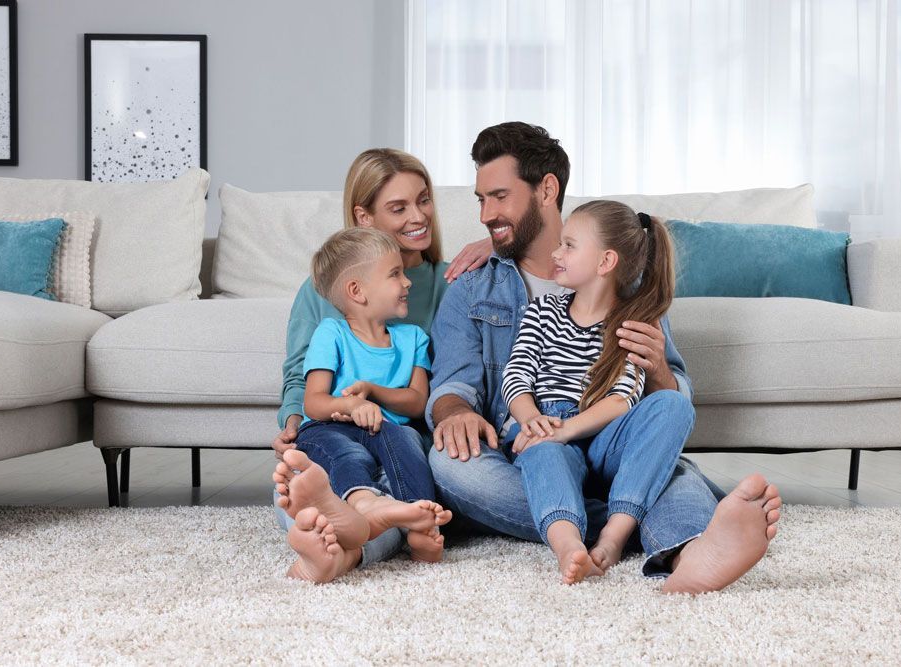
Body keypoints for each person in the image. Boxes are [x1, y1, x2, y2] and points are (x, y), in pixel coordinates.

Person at [427, 121, 783, 594]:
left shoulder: (632, 291)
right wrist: (453, 412)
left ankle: (687, 552)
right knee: (450, 464)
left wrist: (658, 370)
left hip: (613, 441)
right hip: (533, 448)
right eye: (480, 200)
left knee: (669, 417)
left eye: (499, 196)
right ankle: (660, 526)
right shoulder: (473, 286)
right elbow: (454, 384)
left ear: (546, 189)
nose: (485, 214)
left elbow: (670, 394)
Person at [271, 148, 490, 578]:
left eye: (424, 200)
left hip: (406, 438)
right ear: (364, 217)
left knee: (399, 491)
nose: (419, 216)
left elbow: (437, 387)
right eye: (399, 207)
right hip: (335, 431)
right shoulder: (321, 291)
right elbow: (300, 378)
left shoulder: (455, 281)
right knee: (300, 486)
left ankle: (345, 550)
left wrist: (498, 243)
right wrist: (294, 421)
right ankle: (345, 539)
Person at [503, 201, 687, 584]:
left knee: (673, 405)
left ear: (605, 262)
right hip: (546, 425)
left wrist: (568, 429)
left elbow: (623, 399)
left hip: (601, 431)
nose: (556, 253)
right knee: (544, 452)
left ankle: (613, 537)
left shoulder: (632, 323)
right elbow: (516, 375)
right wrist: (531, 421)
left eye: (569, 245)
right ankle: (569, 544)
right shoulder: (542, 311)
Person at [278, 227, 452, 582]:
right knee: (347, 455)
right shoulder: (332, 332)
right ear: (356, 291)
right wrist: (352, 407)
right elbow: (314, 402)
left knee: (407, 446)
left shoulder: (413, 339)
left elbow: (417, 403)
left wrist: (371, 392)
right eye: (395, 274)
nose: (407, 282)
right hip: (329, 428)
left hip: (388, 432)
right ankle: (362, 501)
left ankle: (416, 522)